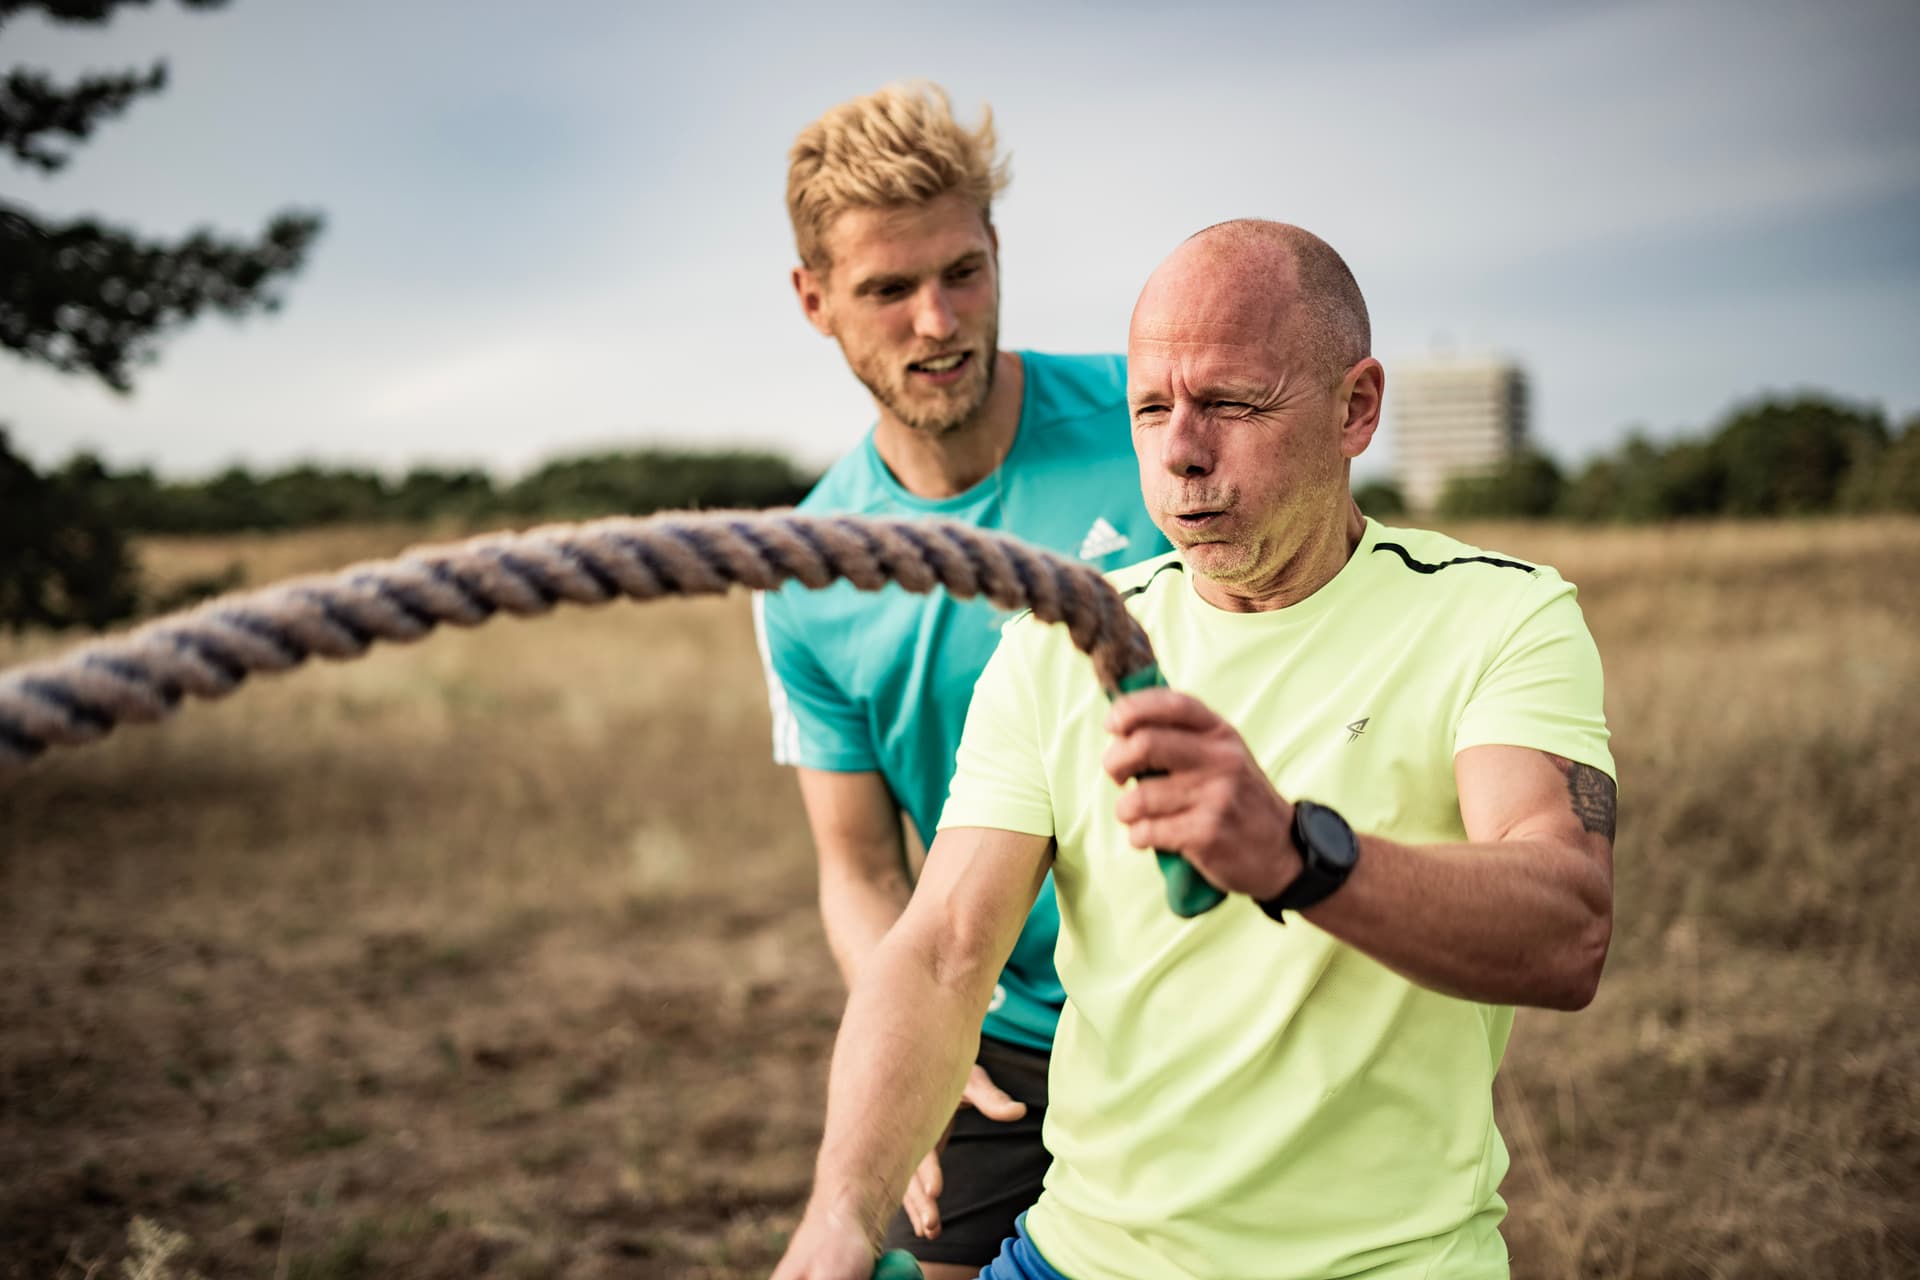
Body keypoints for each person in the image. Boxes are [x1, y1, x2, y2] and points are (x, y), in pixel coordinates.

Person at [771, 219, 1618, 1280]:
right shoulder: (1059, 636)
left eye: (1230, 404)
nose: (1180, 451)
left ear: (1357, 407)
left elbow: (1568, 927)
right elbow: (942, 946)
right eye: (1152, 409)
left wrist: (1295, 854)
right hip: (1073, 1256)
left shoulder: (1501, 616)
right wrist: (842, 1206)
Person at [753, 83, 1169, 1277]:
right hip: (1001, 1027)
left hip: (1210, 988)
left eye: (964, 272)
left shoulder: (1152, 426)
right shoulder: (809, 574)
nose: (938, 321)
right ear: (815, 299)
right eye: (889, 289)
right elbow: (858, 864)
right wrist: (923, 1052)